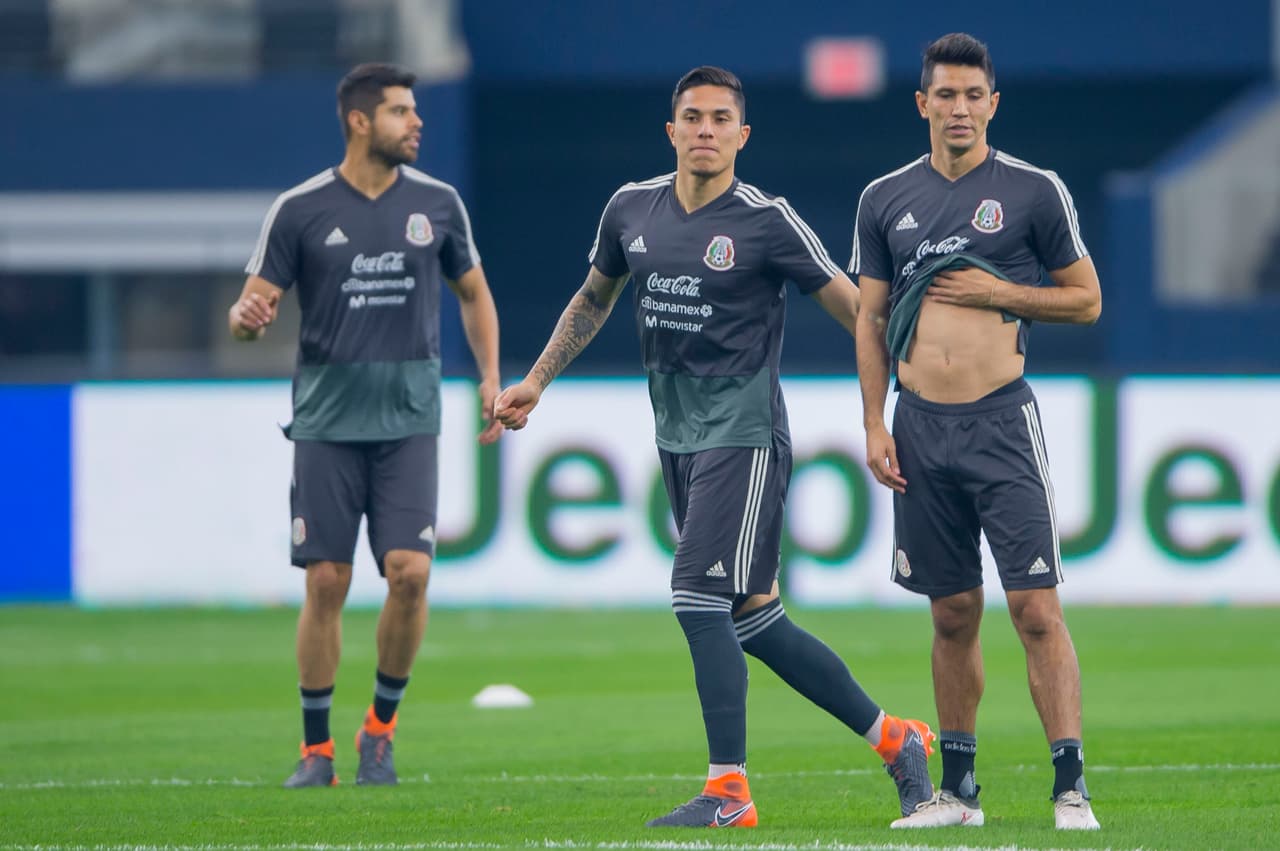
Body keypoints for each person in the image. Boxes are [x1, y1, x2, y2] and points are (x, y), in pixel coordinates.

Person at [494, 65, 934, 829]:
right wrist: (537, 378)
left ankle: (729, 789)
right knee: (752, 616)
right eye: (692, 117)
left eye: (720, 119)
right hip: (678, 437)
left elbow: (850, 304)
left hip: (746, 434)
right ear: (672, 130)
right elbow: (594, 296)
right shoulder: (630, 209)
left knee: (696, 597)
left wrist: (910, 379)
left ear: (742, 134)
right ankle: (897, 738)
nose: (705, 130)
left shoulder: (767, 220)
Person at [849, 33, 1102, 830]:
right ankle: (956, 792)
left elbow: (1087, 299)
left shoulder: (1032, 192)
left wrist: (1004, 292)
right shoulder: (884, 198)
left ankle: (1070, 786)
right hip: (918, 426)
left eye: (973, 96)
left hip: (1000, 421)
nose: (959, 109)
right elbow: (870, 316)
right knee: (951, 612)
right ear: (922, 103)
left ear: (993, 103)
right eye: (944, 96)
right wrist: (873, 422)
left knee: (1035, 609)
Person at [230, 62, 503, 788]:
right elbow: (249, 313)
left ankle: (378, 731)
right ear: (360, 121)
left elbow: (473, 291)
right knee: (327, 579)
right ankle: (315, 749)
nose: (417, 122)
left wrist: (490, 378)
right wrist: (245, 319)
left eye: (415, 111)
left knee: (410, 573)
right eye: (401, 112)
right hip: (325, 421)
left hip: (410, 418)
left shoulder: (439, 204)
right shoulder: (300, 209)